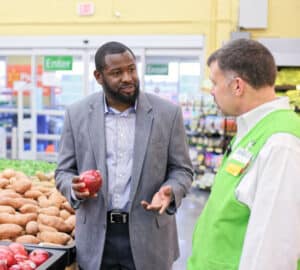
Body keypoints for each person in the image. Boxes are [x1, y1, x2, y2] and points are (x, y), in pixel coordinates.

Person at [55, 41, 193, 270]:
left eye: (131, 69)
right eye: (117, 73)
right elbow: (63, 171)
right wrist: (73, 186)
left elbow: (183, 169)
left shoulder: (167, 114)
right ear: (99, 76)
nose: (128, 78)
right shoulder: (77, 114)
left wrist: (172, 190)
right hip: (97, 239)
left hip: (150, 236)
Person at [187, 38, 300, 270]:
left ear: (237, 86)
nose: (212, 92)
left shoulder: (281, 143)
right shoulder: (252, 129)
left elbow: (274, 249)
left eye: (214, 83)